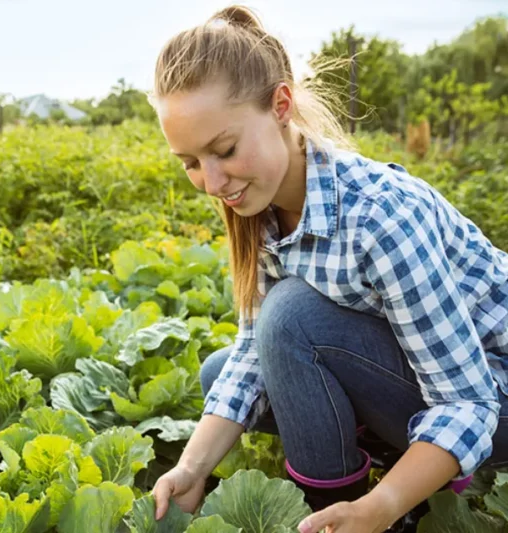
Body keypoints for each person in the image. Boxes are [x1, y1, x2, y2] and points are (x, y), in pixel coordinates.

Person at [147, 5, 508, 533]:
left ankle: (378, 514)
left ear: (281, 105)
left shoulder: (380, 217)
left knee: (290, 316)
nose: (213, 180)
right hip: (424, 381)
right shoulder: (258, 206)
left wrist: (379, 509)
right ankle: (344, 508)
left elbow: (470, 402)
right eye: (191, 163)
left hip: (493, 397)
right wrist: (191, 467)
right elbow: (252, 353)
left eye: (224, 150)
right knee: (220, 371)